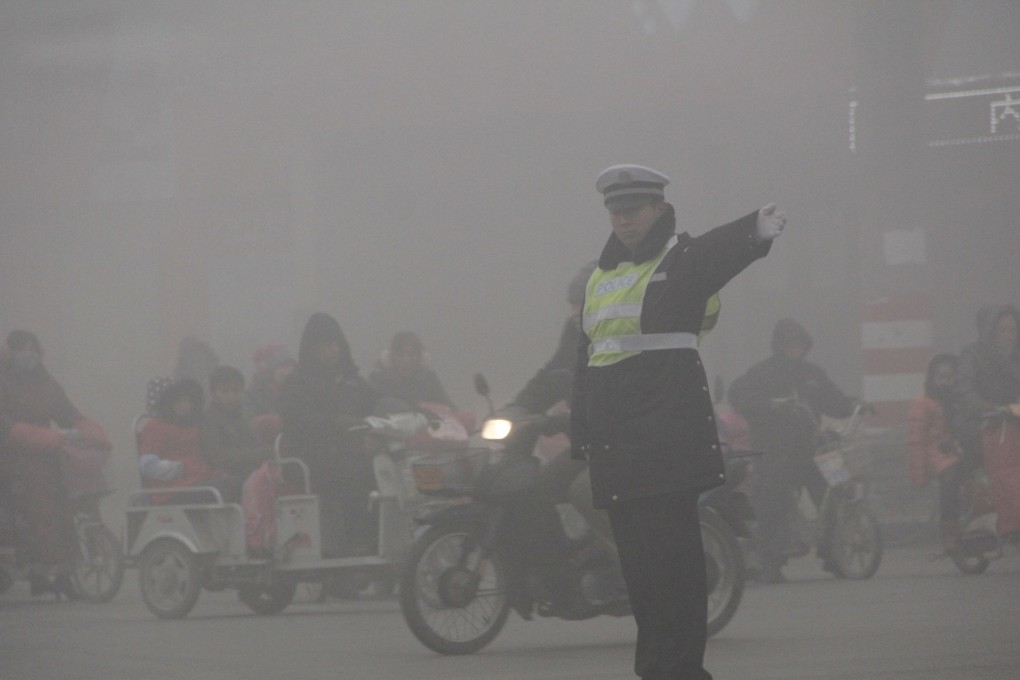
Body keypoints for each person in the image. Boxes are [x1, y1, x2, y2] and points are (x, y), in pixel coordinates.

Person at [570, 164, 785, 680]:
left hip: (666, 439)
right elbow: (588, 359)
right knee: (642, 576)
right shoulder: (600, 278)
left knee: (676, 571)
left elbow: (712, 255)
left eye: (633, 211)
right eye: (615, 212)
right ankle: (655, 672)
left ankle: (685, 672)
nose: (623, 221)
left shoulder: (679, 260)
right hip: (617, 444)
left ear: (660, 210)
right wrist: (583, 434)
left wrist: (752, 230)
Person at [728, 318, 855, 583]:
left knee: (834, 496)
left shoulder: (814, 375)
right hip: (777, 450)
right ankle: (770, 561)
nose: (796, 349)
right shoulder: (761, 374)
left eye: (800, 344)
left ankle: (834, 555)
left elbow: (835, 401)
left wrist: (854, 405)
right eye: (790, 344)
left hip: (815, 449)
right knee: (772, 503)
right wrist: (769, 405)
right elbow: (739, 397)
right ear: (779, 346)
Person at [0, 330, 112, 596]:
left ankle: (62, 571)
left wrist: (87, 428)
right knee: (28, 515)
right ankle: (35, 569)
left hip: (48, 458)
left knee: (63, 512)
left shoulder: (46, 383)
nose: (28, 354)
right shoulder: (3, 382)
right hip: (13, 459)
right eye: (21, 348)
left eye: (32, 347)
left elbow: (67, 412)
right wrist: (28, 435)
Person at [279, 313, 378, 557]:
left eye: (335, 344)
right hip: (308, 457)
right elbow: (302, 422)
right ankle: (355, 544)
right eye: (325, 345)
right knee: (359, 473)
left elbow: (377, 406)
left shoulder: (353, 381)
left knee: (390, 470)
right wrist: (339, 424)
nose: (332, 350)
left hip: (351, 452)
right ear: (311, 349)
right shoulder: (297, 384)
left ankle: (381, 541)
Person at [956, 304, 1020, 542]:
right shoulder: (972, 355)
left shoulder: (1016, 357)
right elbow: (964, 389)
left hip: (1011, 421)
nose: (1009, 336)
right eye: (1003, 330)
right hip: (980, 423)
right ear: (991, 332)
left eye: (1013, 330)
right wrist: (990, 408)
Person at [137, 378, 237, 504]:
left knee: (240, 483)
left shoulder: (193, 426)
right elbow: (148, 465)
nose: (185, 405)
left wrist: (215, 472)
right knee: (230, 487)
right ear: (169, 403)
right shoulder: (156, 427)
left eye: (188, 401)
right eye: (179, 401)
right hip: (173, 491)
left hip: (199, 483)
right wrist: (178, 469)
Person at [906, 354, 965, 551]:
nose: (946, 383)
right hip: (935, 454)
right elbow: (916, 441)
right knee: (950, 479)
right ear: (932, 378)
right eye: (941, 377)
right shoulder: (922, 403)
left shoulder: (958, 401)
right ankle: (949, 530)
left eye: (950, 378)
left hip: (955, 451)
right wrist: (920, 476)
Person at [203, 366, 272, 479]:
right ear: (213, 393)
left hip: (253, 473)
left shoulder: (243, 417)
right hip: (229, 476)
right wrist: (261, 453)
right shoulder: (208, 420)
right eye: (225, 391)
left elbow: (256, 444)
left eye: (235, 391)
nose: (231, 396)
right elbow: (217, 456)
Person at [368, 332, 454, 408]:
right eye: (401, 355)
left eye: (412, 355)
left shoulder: (429, 380)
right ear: (391, 357)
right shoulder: (377, 380)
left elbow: (449, 407)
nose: (406, 360)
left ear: (420, 357)